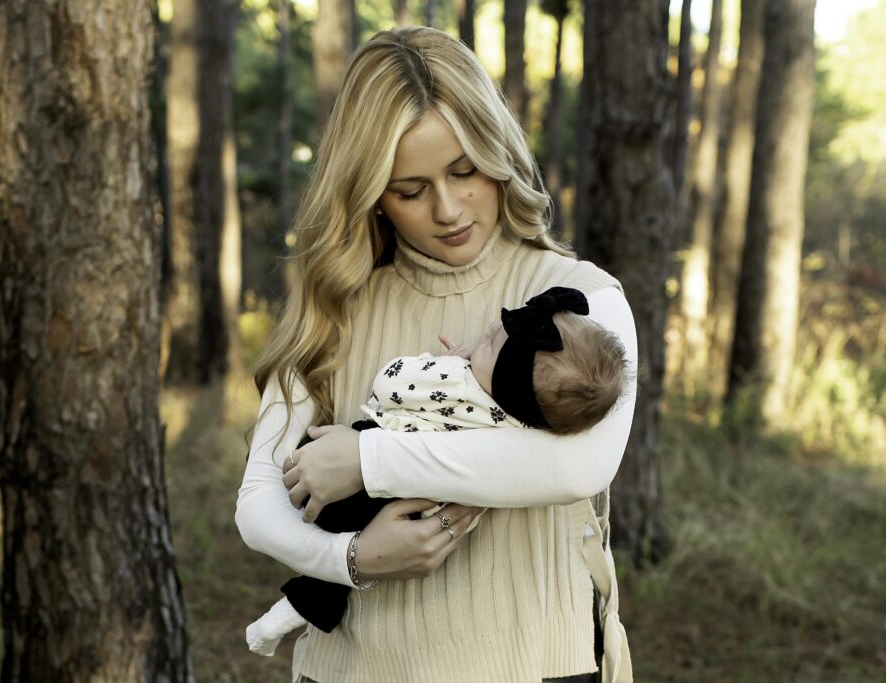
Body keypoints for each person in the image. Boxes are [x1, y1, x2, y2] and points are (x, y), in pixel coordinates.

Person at [236, 26, 637, 683]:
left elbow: (579, 465)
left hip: (532, 666)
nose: (448, 209)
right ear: (369, 191)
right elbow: (257, 504)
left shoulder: (579, 298)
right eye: (410, 190)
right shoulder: (335, 303)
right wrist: (356, 557)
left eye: (465, 170)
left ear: (498, 149)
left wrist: (368, 458)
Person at [245, 287, 630, 657]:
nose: (493, 327)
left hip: (365, 494)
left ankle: (284, 615)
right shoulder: (528, 424)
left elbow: (392, 382)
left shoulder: (461, 383)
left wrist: (451, 367)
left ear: (503, 386)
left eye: (493, 346)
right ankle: (284, 616)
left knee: (312, 480)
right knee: (326, 584)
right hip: (429, 512)